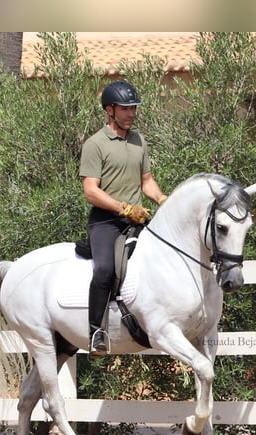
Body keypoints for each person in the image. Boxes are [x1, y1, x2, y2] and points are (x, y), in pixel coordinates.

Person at [79, 80, 167, 356]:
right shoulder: (95, 144)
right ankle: (96, 332)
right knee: (105, 269)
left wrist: (164, 200)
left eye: (134, 108)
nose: (131, 113)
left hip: (136, 220)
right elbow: (90, 191)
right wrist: (124, 209)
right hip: (105, 222)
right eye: (126, 109)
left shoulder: (139, 140)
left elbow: (147, 182)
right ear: (110, 110)